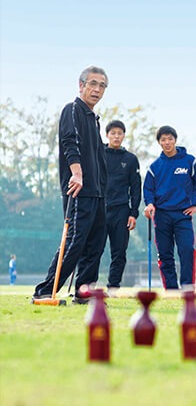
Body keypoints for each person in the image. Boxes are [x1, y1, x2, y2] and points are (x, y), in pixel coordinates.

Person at [33, 66, 109, 304]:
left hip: (97, 192)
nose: (97, 89)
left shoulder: (93, 118)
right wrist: (76, 173)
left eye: (102, 86)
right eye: (93, 84)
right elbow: (70, 142)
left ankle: (83, 293)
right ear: (81, 85)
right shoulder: (72, 110)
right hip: (79, 189)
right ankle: (45, 290)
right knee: (75, 241)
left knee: (95, 244)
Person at [143, 126, 196, 290]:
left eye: (170, 138)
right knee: (165, 254)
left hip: (183, 215)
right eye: (163, 139)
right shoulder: (155, 166)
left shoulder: (189, 161)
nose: (167, 142)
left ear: (175, 139)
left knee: (186, 250)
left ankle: (187, 288)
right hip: (161, 215)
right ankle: (171, 290)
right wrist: (149, 204)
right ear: (159, 142)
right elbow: (148, 189)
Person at [103, 120, 141, 296]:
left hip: (121, 210)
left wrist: (134, 213)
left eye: (119, 133)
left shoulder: (131, 159)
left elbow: (135, 188)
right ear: (107, 135)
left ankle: (113, 288)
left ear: (124, 136)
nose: (116, 136)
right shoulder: (98, 154)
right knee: (92, 249)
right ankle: (86, 286)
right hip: (99, 209)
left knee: (119, 251)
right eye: (113, 133)